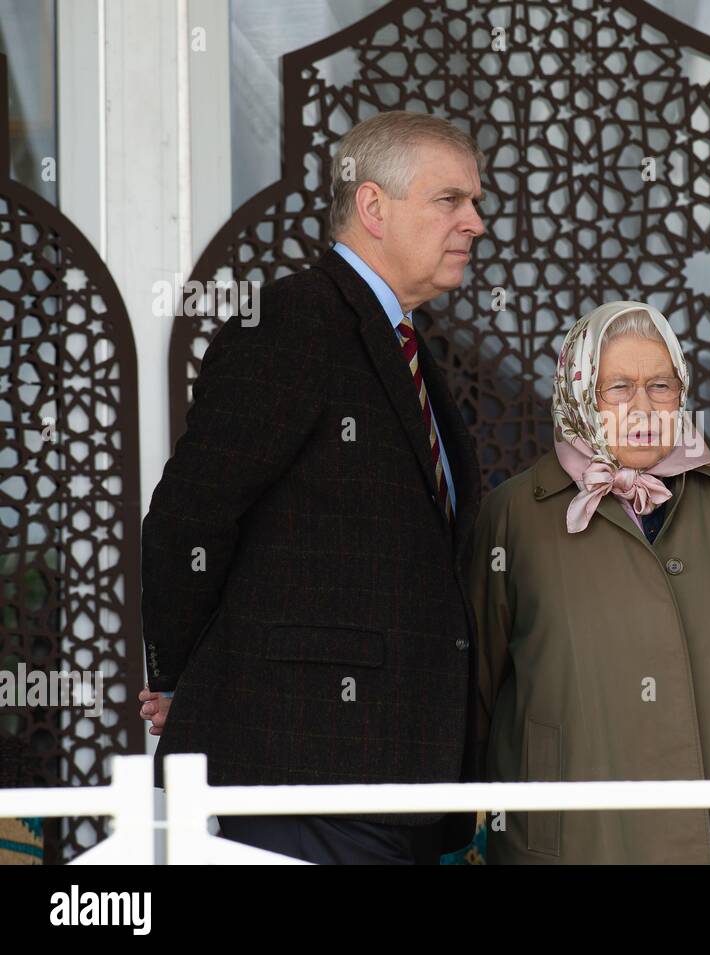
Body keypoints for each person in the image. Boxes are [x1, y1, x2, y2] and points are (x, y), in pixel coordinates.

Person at [138, 111, 486, 863]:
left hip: (398, 784)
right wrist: (183, 675)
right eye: (450, 200)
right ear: (373, 207)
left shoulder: (415, 349)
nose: (475, 222)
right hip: (301, 771)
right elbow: (190, 518)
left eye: (474, 202)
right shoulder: (294, 319)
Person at [469, 301, 710, 864]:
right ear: (578, 393)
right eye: (617, 388)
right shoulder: (514, 515)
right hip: (577, 839)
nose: (642, 408)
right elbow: (480, 686)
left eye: (661, 386)